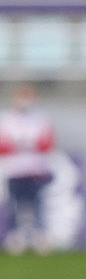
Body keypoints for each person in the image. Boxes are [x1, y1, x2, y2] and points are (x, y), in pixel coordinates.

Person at [0, 84, 57, 255]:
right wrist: (27, 144)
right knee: (15, 204)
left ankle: (39, 236)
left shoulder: (41, 118)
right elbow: (4, 146)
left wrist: (22, 144)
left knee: (37, 204)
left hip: (36, 169)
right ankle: (16, 237)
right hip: (14, 169)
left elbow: (46, 143)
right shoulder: (6, 119)